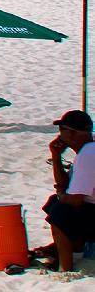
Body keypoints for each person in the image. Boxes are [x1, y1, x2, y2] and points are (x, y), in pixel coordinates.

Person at [44, 110, 95, 272]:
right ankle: (74, 247)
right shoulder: (87, 151)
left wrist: (61, 195)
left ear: (72, 133)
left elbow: (75, 199)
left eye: (62, 131)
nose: (59, 136)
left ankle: (65, 268)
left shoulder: (88, 154)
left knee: (60, 211)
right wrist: (56, 157)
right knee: (55, 203)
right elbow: (66, 184)